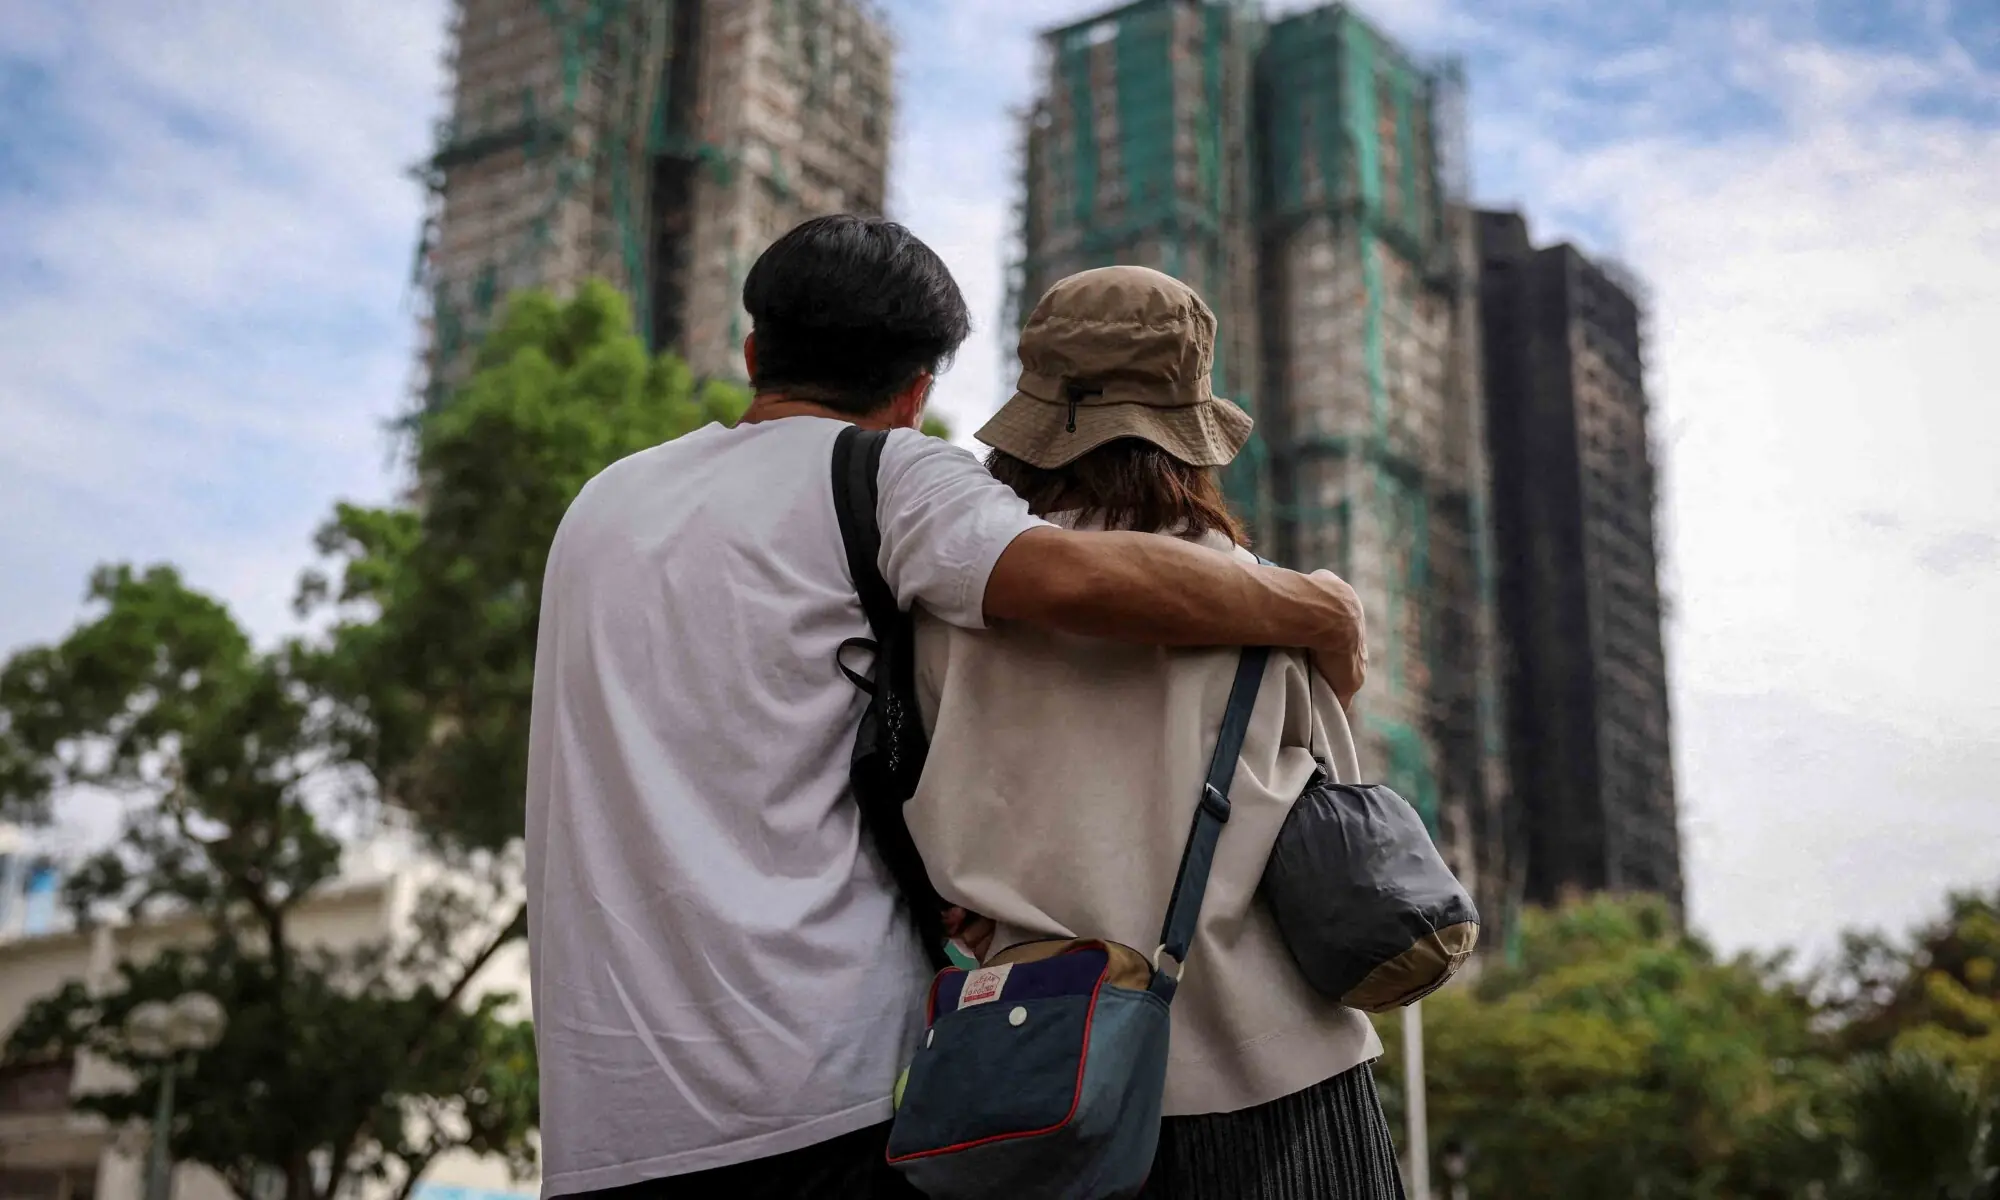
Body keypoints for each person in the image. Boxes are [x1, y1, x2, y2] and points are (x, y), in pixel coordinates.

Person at [524, 217, 1370, 1199]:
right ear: (916, 390)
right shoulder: (891, 485)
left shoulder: (601, 503)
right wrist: (1318, 605)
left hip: (613, 1120)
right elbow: (1082, 587)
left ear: (753, 352)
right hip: (830, 1093)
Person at [905, 266, 1406, 1199]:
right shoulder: (1272, 606)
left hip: (1034, 1083)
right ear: (1190, 429)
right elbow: (1336, 816)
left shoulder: (946, 614)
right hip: (1275, 1075)